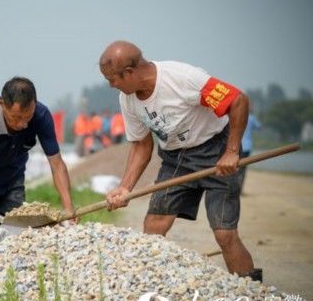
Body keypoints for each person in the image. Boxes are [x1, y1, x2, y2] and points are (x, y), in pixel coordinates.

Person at [99, 41, 261, 281]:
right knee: (154, 225)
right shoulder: (128, 99)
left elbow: (237, 100)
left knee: (224, 234)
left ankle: (253, 294)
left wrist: (232, 151)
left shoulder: (183, 79)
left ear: (130, 73)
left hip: (216, 153)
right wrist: (125, 187)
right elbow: (142, 144)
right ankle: (148, 286)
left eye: (113, 79)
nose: (112, 86)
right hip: (175, 159)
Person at [0, 76, 76, 256]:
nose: (22, 124)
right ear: (2, 104)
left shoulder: (41, 115)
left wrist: (68, 208)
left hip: (11, 179)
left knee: (15, 240)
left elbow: (56, 163)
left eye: (27, 117)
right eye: (16, 118)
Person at [239, 107, 261, 194]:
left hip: (236, 147)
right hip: (247, 147)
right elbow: (259, 127)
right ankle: (240, 190)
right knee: (242, 169)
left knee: (233, 169)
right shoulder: (252, 118)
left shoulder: (237, 116)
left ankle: (232, 190)